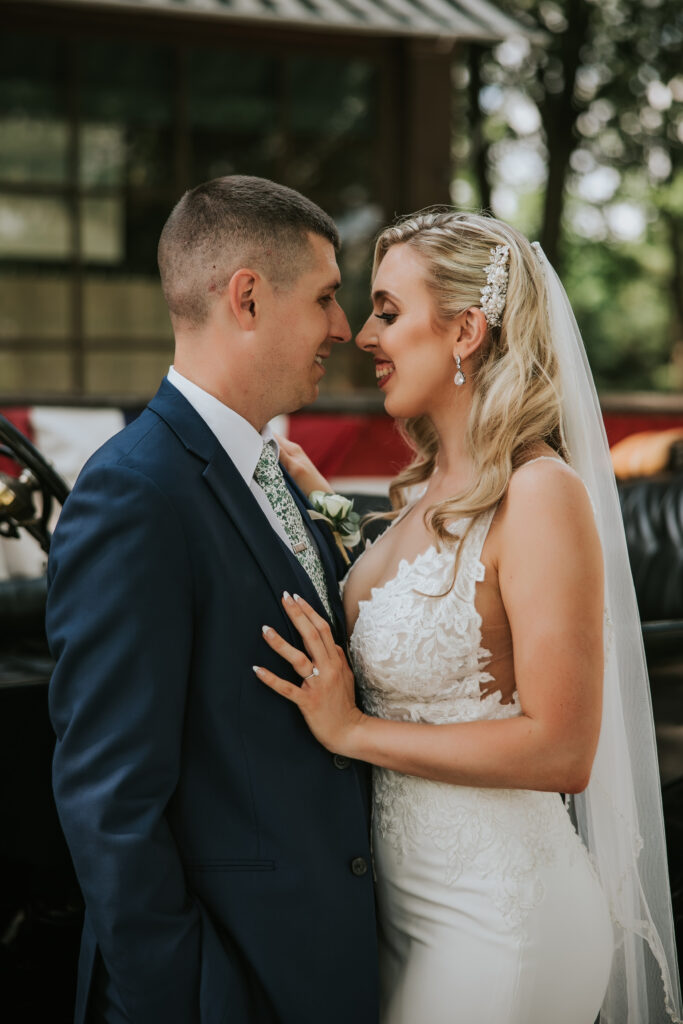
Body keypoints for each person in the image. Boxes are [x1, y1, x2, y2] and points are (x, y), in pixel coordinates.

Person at [255, 211, 683, 1023]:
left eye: (386, 310)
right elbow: (418, 617)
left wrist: (351, 733)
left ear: (464, 330)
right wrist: (331, 519)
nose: (362, 335)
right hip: (403, 914)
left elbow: (561, 748)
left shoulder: (539, 492)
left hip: (501, 922)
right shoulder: (419, 493)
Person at [46, 176, 379, 1024]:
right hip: (220, 987)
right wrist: (189, 996)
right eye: (327, 298)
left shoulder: (278, 476)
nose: (342, 329)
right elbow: (111, 801)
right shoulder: (134, 493)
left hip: (322, 968)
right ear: (247, 297)